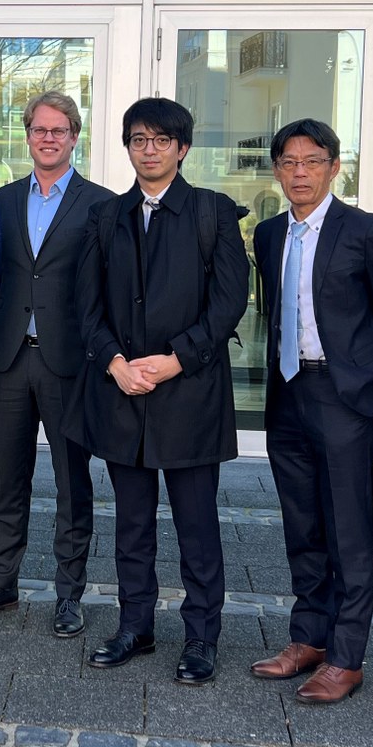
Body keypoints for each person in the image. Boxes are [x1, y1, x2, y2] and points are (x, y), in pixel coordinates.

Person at [67, 97, 249, 686]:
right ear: (128, 148)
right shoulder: (104, 217)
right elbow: (85, 306)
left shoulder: (213, 213)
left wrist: (174, 362)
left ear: (182, 148)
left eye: (161, 140)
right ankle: (135, 625)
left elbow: (228, 305)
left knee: (197, 527)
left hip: (188, 394)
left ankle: (201, 637)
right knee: (132, 523)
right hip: (123, 393)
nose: (150, 149)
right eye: (139, 140)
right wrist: (115, 362)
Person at [249, 118, 373, 703]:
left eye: (312, 161)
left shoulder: (365, 230)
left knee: (348, 530)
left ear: (335, 167)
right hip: (287, 393)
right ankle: (308, 637)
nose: (300, 172)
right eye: (288, 162)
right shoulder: (267, 234)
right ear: (277, 170)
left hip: (345, 397)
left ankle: (346, 655)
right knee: (302, 524)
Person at [0, 90, 112, 638]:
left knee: (73, 482)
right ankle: (1, 584)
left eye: (59, 130)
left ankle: (69, 594)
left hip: (70, 363)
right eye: (39, 129)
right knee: (9, 478)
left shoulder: (102, 204)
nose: (48, 138)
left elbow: (106, 292)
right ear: (27, 136)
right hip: (6, 360)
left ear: (75, 137)